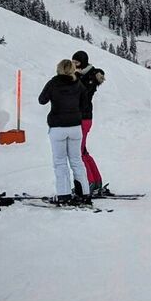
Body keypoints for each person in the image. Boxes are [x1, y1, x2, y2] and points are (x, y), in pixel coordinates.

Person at [38, 58, 91, 204]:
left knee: (60, 162)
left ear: (59, 69)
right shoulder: (78, 84)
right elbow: (85, 104)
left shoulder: (53, 82)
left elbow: (42, 100)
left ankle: (64, 194)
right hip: (75, 127)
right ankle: (84, 193)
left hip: (58, 127)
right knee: (76, 160)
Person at [71, 50, 107, 196]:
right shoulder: (84, 75)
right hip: (82, 117)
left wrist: (77, 77)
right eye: (73, 62)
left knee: (79, 152)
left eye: (77, 62)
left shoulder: (89, 77)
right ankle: (96, 181)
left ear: (83, 62)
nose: (74, 65)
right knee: (83, 151)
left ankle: (89, 182)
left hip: (83, 117)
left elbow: (84, 94)